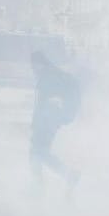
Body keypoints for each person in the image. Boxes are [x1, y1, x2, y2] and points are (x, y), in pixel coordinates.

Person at [28, 49, 80, 190]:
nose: (32, 69)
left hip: (47, 121)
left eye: (33, 65)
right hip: (51, 121)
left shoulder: (47, 78)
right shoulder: (54, 75)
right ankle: (65, 176)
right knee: (39, 153)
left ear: (39, 63)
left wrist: (36, 123)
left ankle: (66, 176)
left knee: (37, 153)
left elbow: (41, 104)